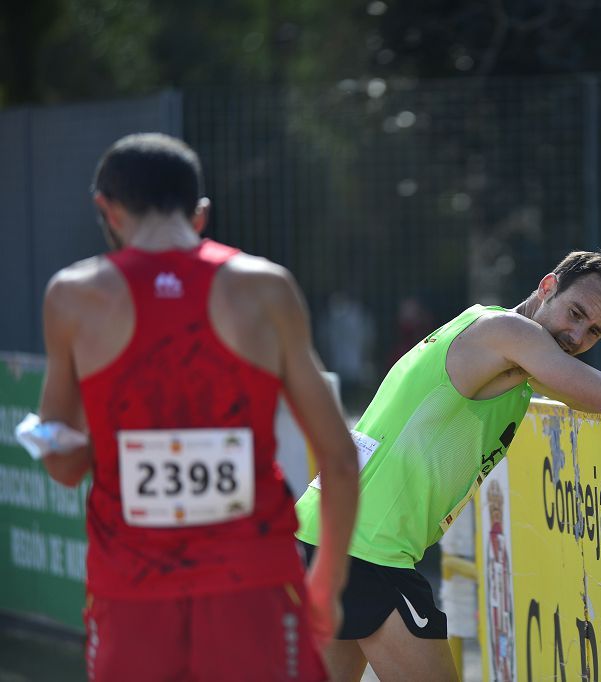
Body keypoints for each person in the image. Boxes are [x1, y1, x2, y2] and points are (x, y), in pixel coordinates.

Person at [17, 133, 359, 681]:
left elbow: (61, 463)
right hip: (255, 582)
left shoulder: (73, 296)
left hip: (130, 588)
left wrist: (102, 449)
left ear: (106, 209)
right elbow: (339, 460)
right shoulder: (266, 289)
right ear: (201, 215)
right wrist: (327, 584)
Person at [293, 251, 601, 681]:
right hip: (369, 547)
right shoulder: (512, 334)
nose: (577, 335)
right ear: (547, 287)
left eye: (594, 331)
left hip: (327, 527)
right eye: (575, 313)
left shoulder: (502, 343)